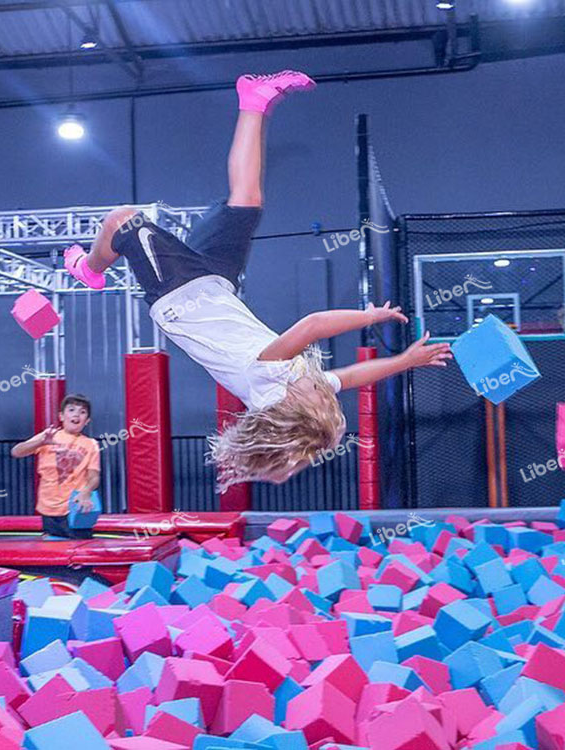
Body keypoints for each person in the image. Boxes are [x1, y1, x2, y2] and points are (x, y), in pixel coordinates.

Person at [65, 71, 451, 490]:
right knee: (248, 201)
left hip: (178, 296)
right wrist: (407, 361)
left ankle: (90, 268)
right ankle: (255, 98)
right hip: (216, 284)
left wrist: (368, 316)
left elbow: (313, 325)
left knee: (122, 220)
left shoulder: (269, 383)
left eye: (321, 398)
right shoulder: (303, 389)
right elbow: (357, 377)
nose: (326, 388)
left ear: (292, 410)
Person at [11, 393, 100, 539]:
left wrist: (86, 491)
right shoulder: (49, 436)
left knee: (80, 550)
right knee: (53, 552)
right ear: (61, 416)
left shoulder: (91, 444)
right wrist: (40, 442)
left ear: (87, 421)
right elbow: (16, 452)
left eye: (82, 412)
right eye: (71, 410)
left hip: (75, 508)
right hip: (48, 508)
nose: (76, 415)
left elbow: (94, 476)